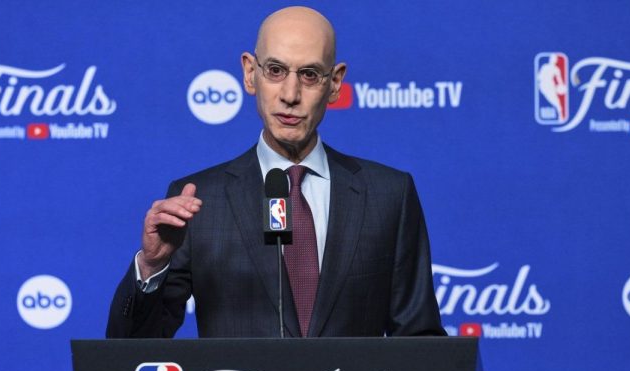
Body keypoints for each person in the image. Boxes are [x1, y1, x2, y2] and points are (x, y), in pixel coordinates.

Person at [106, 6, 445, 338]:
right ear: (250, 73)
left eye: (310, 75)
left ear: (335, 83)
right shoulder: (198, 202)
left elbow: (421, 349)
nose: (290, 95)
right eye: (276, 70)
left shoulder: (389, 195)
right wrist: (152, 268)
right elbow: (131, 352)